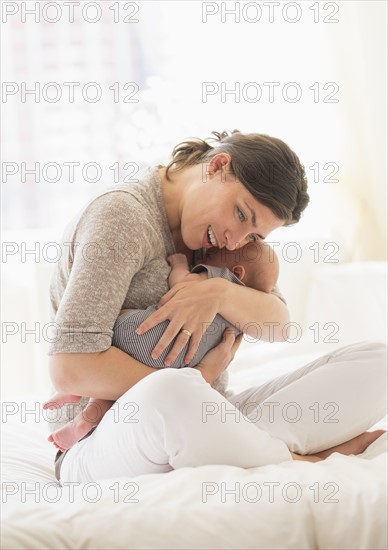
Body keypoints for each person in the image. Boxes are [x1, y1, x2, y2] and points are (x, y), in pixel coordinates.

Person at [47, 130, 387, 483]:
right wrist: (201, 379)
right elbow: (71, 368)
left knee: (377, 363)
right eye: (241, 214)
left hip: (212, 415)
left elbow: (278, 324)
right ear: (218, 166)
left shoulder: (222, 245)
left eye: (254, 237)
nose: (236, 239)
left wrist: (220, 293)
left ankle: (241, 448)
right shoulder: (124, 218)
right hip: (107, 438)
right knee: (171, 393)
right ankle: (303, 460)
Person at [44, 240, 279, 452]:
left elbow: (181, 283)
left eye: (216, 254)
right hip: (179, 363)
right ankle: (87, 417)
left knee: (113, 331)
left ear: (237, 272)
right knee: (120, 390)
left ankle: (77, 389)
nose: (209, 253)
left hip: (148, 336)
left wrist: (179, 263)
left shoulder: (218, 280)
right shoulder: (244, 317)